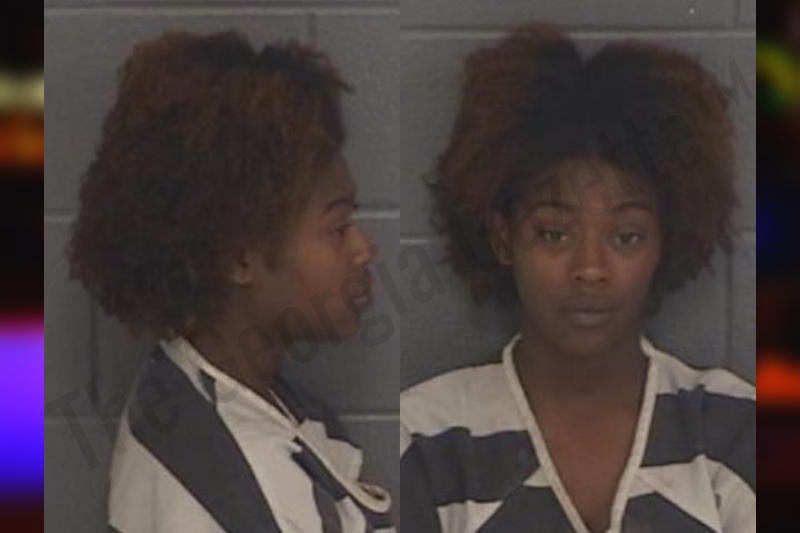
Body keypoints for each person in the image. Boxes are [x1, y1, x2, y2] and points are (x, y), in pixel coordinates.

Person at [401, 24, 755, 533]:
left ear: (664, 243)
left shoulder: (733, 425)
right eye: (553, 234)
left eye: (626, 237)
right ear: (504, 239)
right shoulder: (428, 440)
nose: (590, 269)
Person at [67, 31, 393, 532]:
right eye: (337, 227)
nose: (364, 249)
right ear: (239, 257)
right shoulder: (236, 493)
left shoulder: (200, 388)